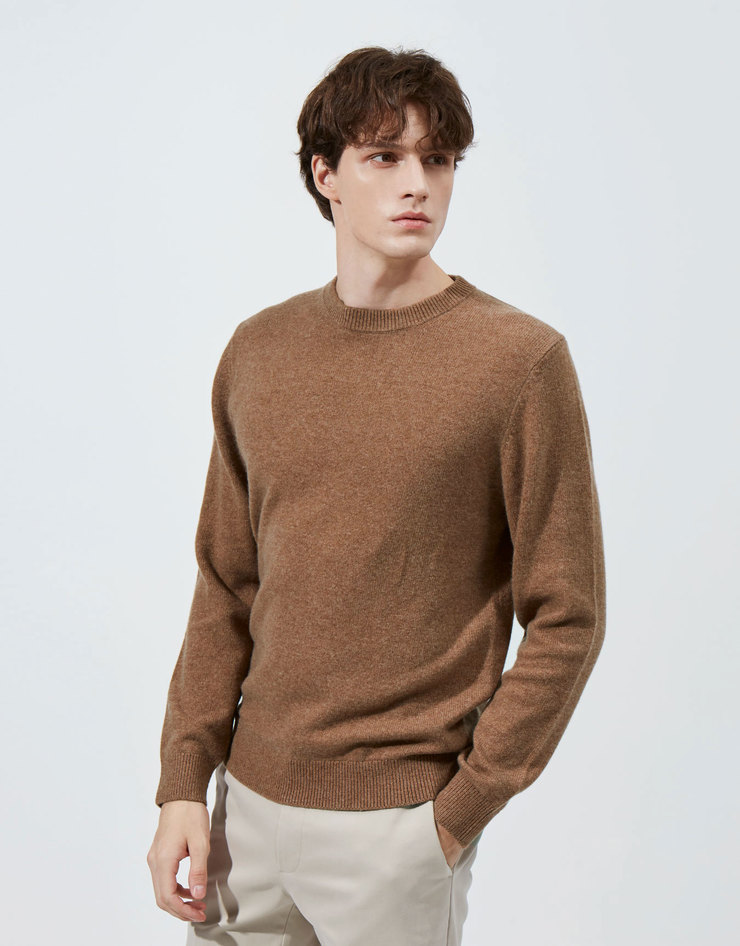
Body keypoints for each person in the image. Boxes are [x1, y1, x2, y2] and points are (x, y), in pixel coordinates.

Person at [147, 45, 607, 946]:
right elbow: (226, 586)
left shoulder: (519, 362)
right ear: (326, 175)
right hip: (244, 819)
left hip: (397, 834)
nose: (418, 185)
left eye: (438, 160)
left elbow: (569, 614)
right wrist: (181, 785)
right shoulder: (259, 352)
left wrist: (455, 817)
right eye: (384, 157)